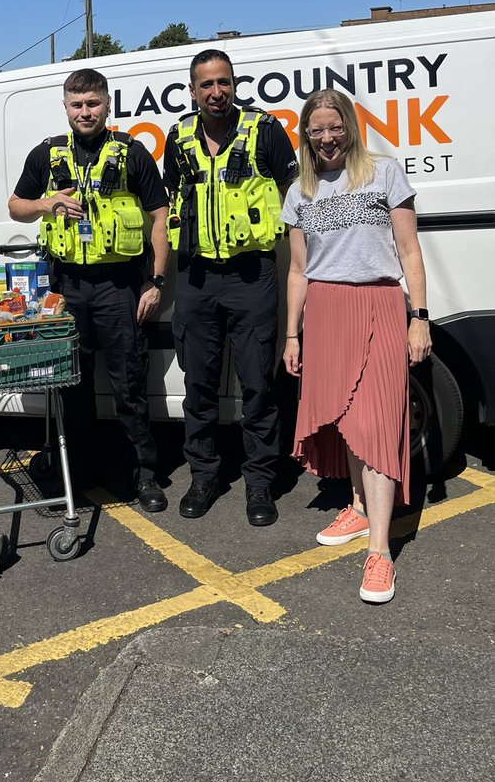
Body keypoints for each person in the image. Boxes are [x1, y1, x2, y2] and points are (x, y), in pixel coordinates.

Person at [282, 89, 431, 604]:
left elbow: (410, 250)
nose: (326, 138)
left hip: (379, 305)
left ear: (349, 126)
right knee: (346, 421)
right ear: (306, 134)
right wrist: (292, 332)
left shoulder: (384, 173)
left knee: (377, 422)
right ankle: (359, 507)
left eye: (334, 127)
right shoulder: (299, 190)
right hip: (324, 311)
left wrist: (419, 317)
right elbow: (299, 271)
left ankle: (380, 553)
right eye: (316, 130)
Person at [8, 68, 170, 511]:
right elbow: (16, 206)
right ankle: (77, 470)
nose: (85, 112)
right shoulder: (46, 155)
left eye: (93, 103)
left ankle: (144, 475)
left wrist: (155, 282)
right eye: (77, 105)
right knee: (71, 386)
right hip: (67, 285)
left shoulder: (132, 153)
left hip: (119, 286)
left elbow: (160, 216)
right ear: (65, 107)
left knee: (129, 385)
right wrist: (47, 202)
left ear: (107, 105)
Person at [163, 49, 298, 526]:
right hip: (197, 278)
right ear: (192, 90)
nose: (216, 92)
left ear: (234, 84)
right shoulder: (177, 138)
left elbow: (295, 193)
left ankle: (260, 482)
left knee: (258, 383)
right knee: (197, 383)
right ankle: (204, 476)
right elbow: (169, 203)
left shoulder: (263, 130)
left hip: (251, 275)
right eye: (206, 85)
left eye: (224, 82)